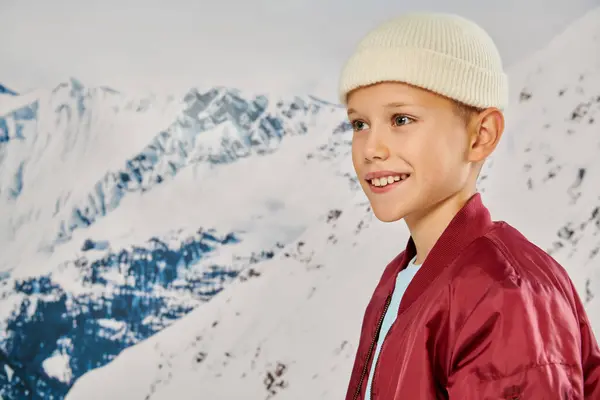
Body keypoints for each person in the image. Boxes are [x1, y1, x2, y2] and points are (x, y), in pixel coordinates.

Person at [338, 12, 600, 400]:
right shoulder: (401, 276)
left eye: (401, 119)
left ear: (481, 136)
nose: (371, 149)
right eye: (359, 124)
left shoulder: (503, 293)